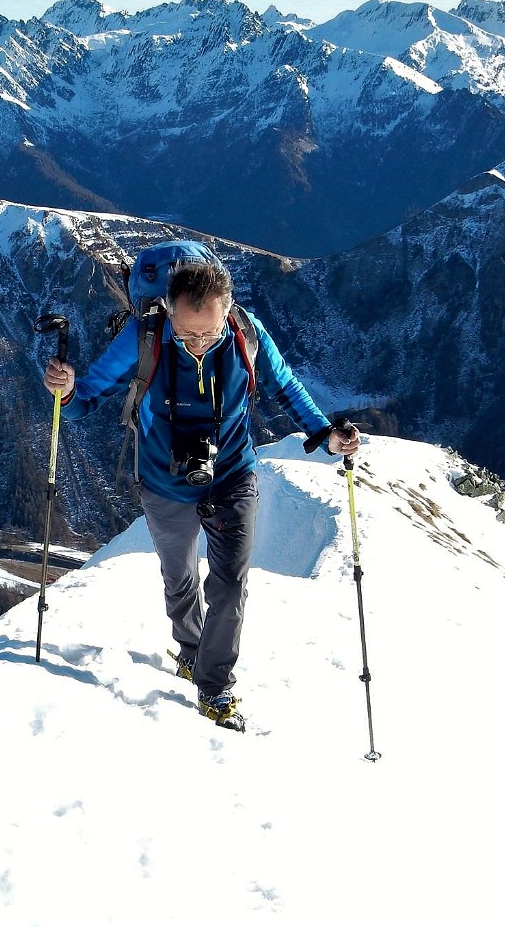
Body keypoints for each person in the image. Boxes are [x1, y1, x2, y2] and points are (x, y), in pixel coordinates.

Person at [42, 258, 359, 726]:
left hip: (232, 474)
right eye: (187, 335)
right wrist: (65, 391)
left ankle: (214, 688)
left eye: (209, 335)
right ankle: (191, 650)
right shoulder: (144, 336)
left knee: (230, 585)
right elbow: (84, 399)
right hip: (163, 482)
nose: (198, 345)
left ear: (227, 311)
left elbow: (286, 385)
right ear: (168, 310)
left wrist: (326, 433)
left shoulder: (246, 334)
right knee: (180, 579)